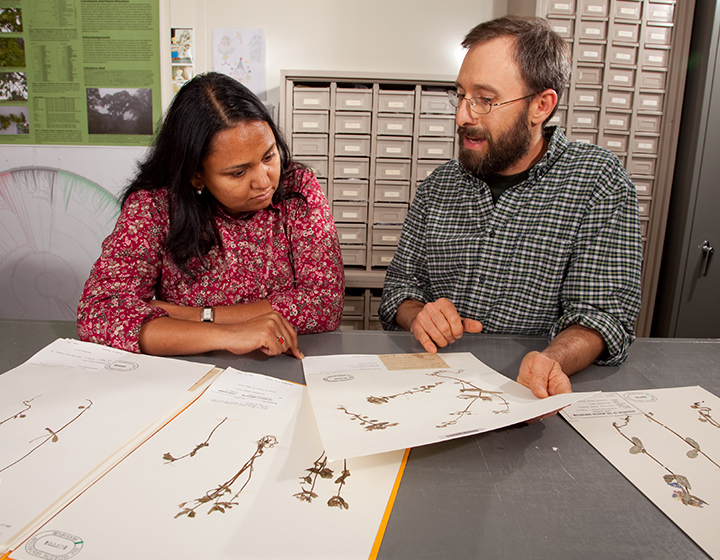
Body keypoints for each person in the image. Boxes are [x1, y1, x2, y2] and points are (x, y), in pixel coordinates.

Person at [379, 16, 642, 398]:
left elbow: (603, 314)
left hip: (530, 395)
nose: (462, 116)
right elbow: (399, 289)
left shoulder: (596, 181)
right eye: (461, 95)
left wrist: (553, 359)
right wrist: (419, 313)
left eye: (485, 100)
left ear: (541, 105)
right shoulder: (439, 186)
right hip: (435, 390)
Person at [78, 72, 344, 358]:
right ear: (196, 176)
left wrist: (191, 316)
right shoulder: (154, 207)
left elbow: (324, 302)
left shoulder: (297, 188)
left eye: (269, 157)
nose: (263, 181)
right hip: (190, 373)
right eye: (238, 172)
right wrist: (228, 335)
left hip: (282, 363)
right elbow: (100, 313)